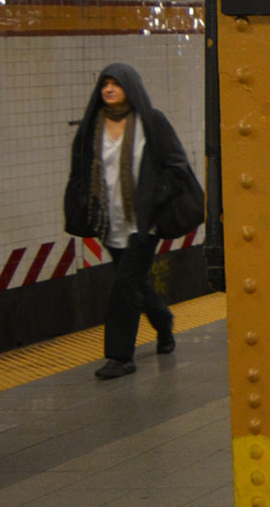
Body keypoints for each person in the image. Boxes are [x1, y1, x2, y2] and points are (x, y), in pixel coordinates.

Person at [63, 63, 204, 380]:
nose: (109, 89)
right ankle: (163, 321)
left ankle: (120, 356)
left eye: (116, 84)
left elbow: (177, 166)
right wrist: (84, 205)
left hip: (144, 223)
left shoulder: (151, 122)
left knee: (123, 286)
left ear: (131, 87)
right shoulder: (92, 128)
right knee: (136, 282)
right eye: (105, 84)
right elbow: (79, 173)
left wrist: (155, 198)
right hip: (110, 223)